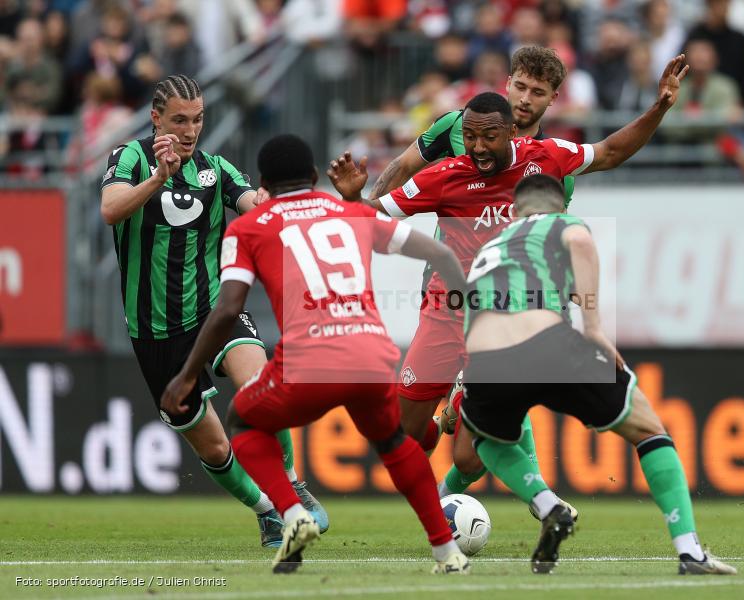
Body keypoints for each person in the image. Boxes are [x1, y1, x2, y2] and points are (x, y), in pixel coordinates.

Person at [333, 52, 689, 512]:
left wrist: (659, 107)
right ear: (507, 85)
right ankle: (457, 413)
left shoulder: (552, 160)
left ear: (551, 100)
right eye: (520, 87)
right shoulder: (450, 143)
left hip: (514, 307)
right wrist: (360, 201)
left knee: (480, 439)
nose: (525, 99)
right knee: (406, 435)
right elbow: (400, 173)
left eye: (537, 92)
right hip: (448, 295)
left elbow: (603, 165)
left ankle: (516, 484)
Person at [161, 134, 471, 575]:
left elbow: (229, 307)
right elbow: (438, 250)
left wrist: (187, 374)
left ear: (263, 183)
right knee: (394, 444)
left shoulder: (247, 227)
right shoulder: (352, 213)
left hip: (309, 363)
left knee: (244, 421)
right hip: (371, 355)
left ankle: (292, 513)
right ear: (312, 177)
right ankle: (447, 551)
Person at [460, 174, 738, 576]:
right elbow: (580, 243)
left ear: (514, 210)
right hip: (545, 342)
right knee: (649, 429)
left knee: (486, 440)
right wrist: (592, 327)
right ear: (560, 207)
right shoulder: (560, 224)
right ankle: (690, 552)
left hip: (485, 360)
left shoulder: (492, 246)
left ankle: (547, 505)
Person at [100, 74, 326, 548]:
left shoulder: (216, 169)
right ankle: (266, 513)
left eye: (198, 119)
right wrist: (158, 178)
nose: (190, 129)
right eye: (179, 119)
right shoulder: (129, 158)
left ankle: (290, 486)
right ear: (156, 117)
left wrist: (267, 206)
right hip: (155, 329)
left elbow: (250, 205)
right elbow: (111, 209)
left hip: (213, 310)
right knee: (217, 446)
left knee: (262, 386)